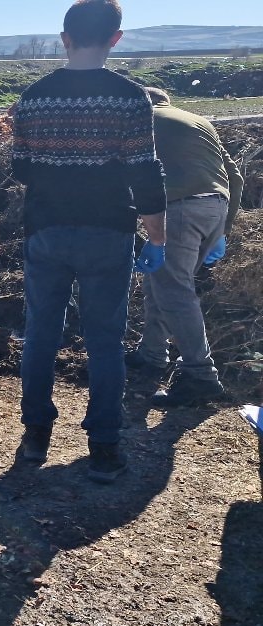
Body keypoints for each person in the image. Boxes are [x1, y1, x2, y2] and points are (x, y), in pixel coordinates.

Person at [10, 0, 167, 483]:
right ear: (115, 39)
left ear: (65, 38)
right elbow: (146, 172)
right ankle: (103, 448)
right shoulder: (130, 98)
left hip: (46, 230)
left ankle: (36, 434)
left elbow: (19, 169)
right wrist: (156, 236)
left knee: (41, 334)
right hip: (107, 233)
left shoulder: (32, 98)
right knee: (104, 341)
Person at [126, 87, 243, 407]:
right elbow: (234, 176)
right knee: (161, 280)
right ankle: (152, 353)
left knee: (174, 289)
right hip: (215, 207)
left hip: (179, 207)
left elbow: (127, 169)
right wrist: (223, 228)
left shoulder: (141, 119)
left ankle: (201, 375)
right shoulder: (198, 120)